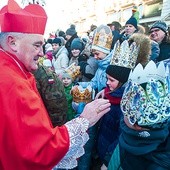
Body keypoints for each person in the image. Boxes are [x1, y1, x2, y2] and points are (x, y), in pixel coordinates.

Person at [0, 1, 111, 170]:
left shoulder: (13, 69)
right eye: (37, 45)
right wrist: (83, 121)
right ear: (13, 42)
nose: (42, 53)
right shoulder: (12, 83)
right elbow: (38, 150)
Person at [95, 33, 151, 170]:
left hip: (111, 154)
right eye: (106, 78)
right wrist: (106, 89)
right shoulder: (110, 92)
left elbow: (122, 137)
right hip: (102, 145)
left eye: (111, 80)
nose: (107, 83)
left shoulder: (126, 104)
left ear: (123, 81)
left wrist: (108, 161)